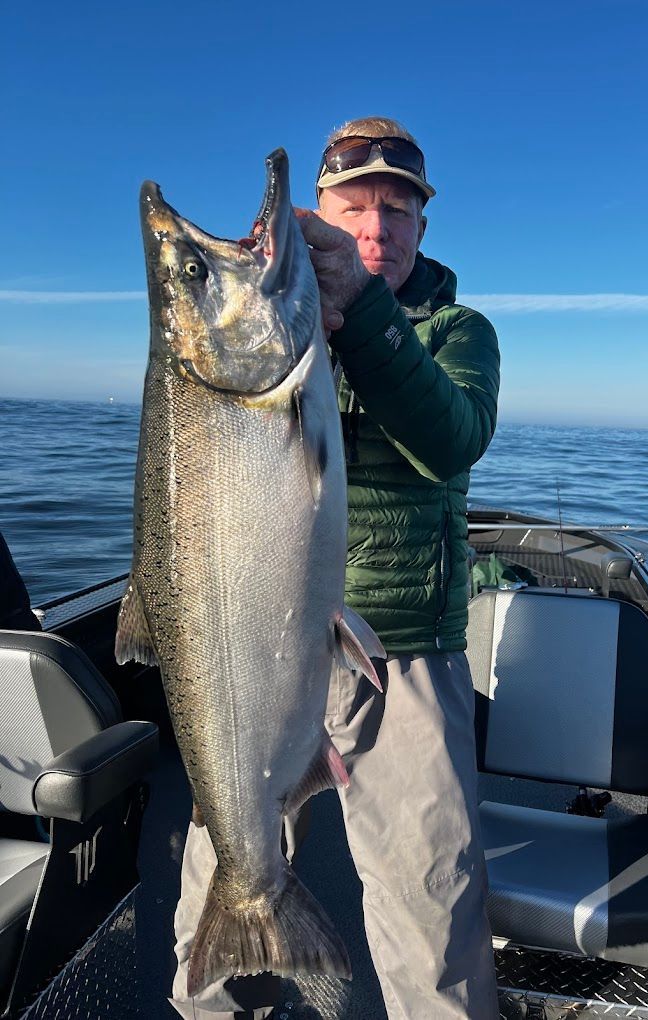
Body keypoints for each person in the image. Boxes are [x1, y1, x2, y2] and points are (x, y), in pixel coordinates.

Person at [171, 117, 501, 1020]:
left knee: (431, 921)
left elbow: (450, 440)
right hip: (257, 649)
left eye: (397, 209)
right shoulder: (282, 324)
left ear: (423, 228)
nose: (376, 227)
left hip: (401, 657)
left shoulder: (457, 330)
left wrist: (362, 310)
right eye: (353, 206)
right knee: (215, 899)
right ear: (317, 213)